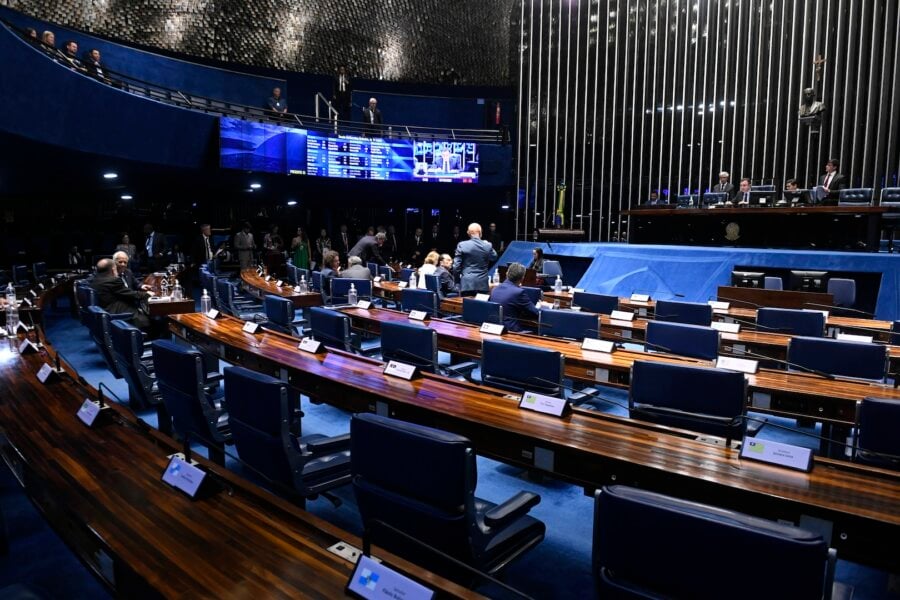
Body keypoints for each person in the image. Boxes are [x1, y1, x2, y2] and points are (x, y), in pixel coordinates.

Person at [90, 258, 152, 330]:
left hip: (103, 310)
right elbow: (129, 294)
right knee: (146, 320)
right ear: (113, 270)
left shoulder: (95, 280)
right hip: (114, 311)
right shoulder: (113, 280)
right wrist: (147, 294)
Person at [489, 262, 539, 333]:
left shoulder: (495, 289)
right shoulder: (518, 292)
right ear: (522, 278)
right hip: (510, 331)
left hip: (495, 329)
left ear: (507, 274)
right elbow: (536, 312)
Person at [452, 222, 497, 295]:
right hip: (482, 284)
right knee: (480, 306)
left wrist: (457, 282)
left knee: (466, 306)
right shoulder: (487, 245)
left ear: (468, 233)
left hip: (466, 284)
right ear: (480, 232)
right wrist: (488, 245)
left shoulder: (462, 245)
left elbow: (456, 266)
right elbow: (494, 257)